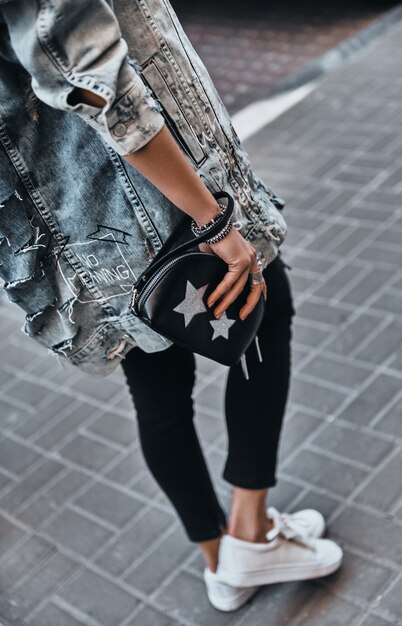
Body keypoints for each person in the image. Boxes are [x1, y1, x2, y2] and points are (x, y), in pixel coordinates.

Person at [0, 0, 343, 613]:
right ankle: (251, 534)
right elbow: (96, 80)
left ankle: (224, 565)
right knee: (266, 304)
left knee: (158, 393)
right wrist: (215, 219)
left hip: (78, 225)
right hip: (154, 199)